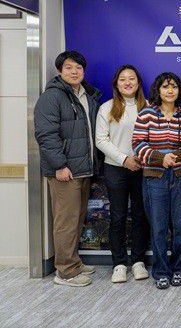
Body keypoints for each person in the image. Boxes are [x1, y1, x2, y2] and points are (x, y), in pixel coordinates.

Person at [34, 50, 102, 287]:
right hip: (65, 171)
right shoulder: (52, 97)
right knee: (66, 221)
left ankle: (73, 262)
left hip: (83, 168)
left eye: (78, 68)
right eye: (69, 67)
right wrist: (60, 165)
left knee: (77, 218)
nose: (74, 72)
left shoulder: (85, 95)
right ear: (60, 71)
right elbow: (46, 135)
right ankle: (65, 272)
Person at [132, 72, 181, 290]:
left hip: (180, 176)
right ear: (158, 90)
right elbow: (138, 144)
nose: (170, 91)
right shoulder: (146, 114)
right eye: (165, 87)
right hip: (155, 178)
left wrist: (175, 157)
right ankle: (161, 272)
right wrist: (161, 158)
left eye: (174, 86)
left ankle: (179, 269)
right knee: (158, 227)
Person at [96, 65, 149, 283]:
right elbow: (101, 140)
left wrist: (141, 158)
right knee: (117, 216)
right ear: (116, 84)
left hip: (142, 168)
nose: (127, 82)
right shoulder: (107, 108)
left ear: (138, 83)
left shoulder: (148, 107)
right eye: (123, 79)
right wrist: (124, 159)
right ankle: (118, 263)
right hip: (115, 168)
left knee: (140, 216)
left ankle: (138, 261)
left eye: (132, 78)